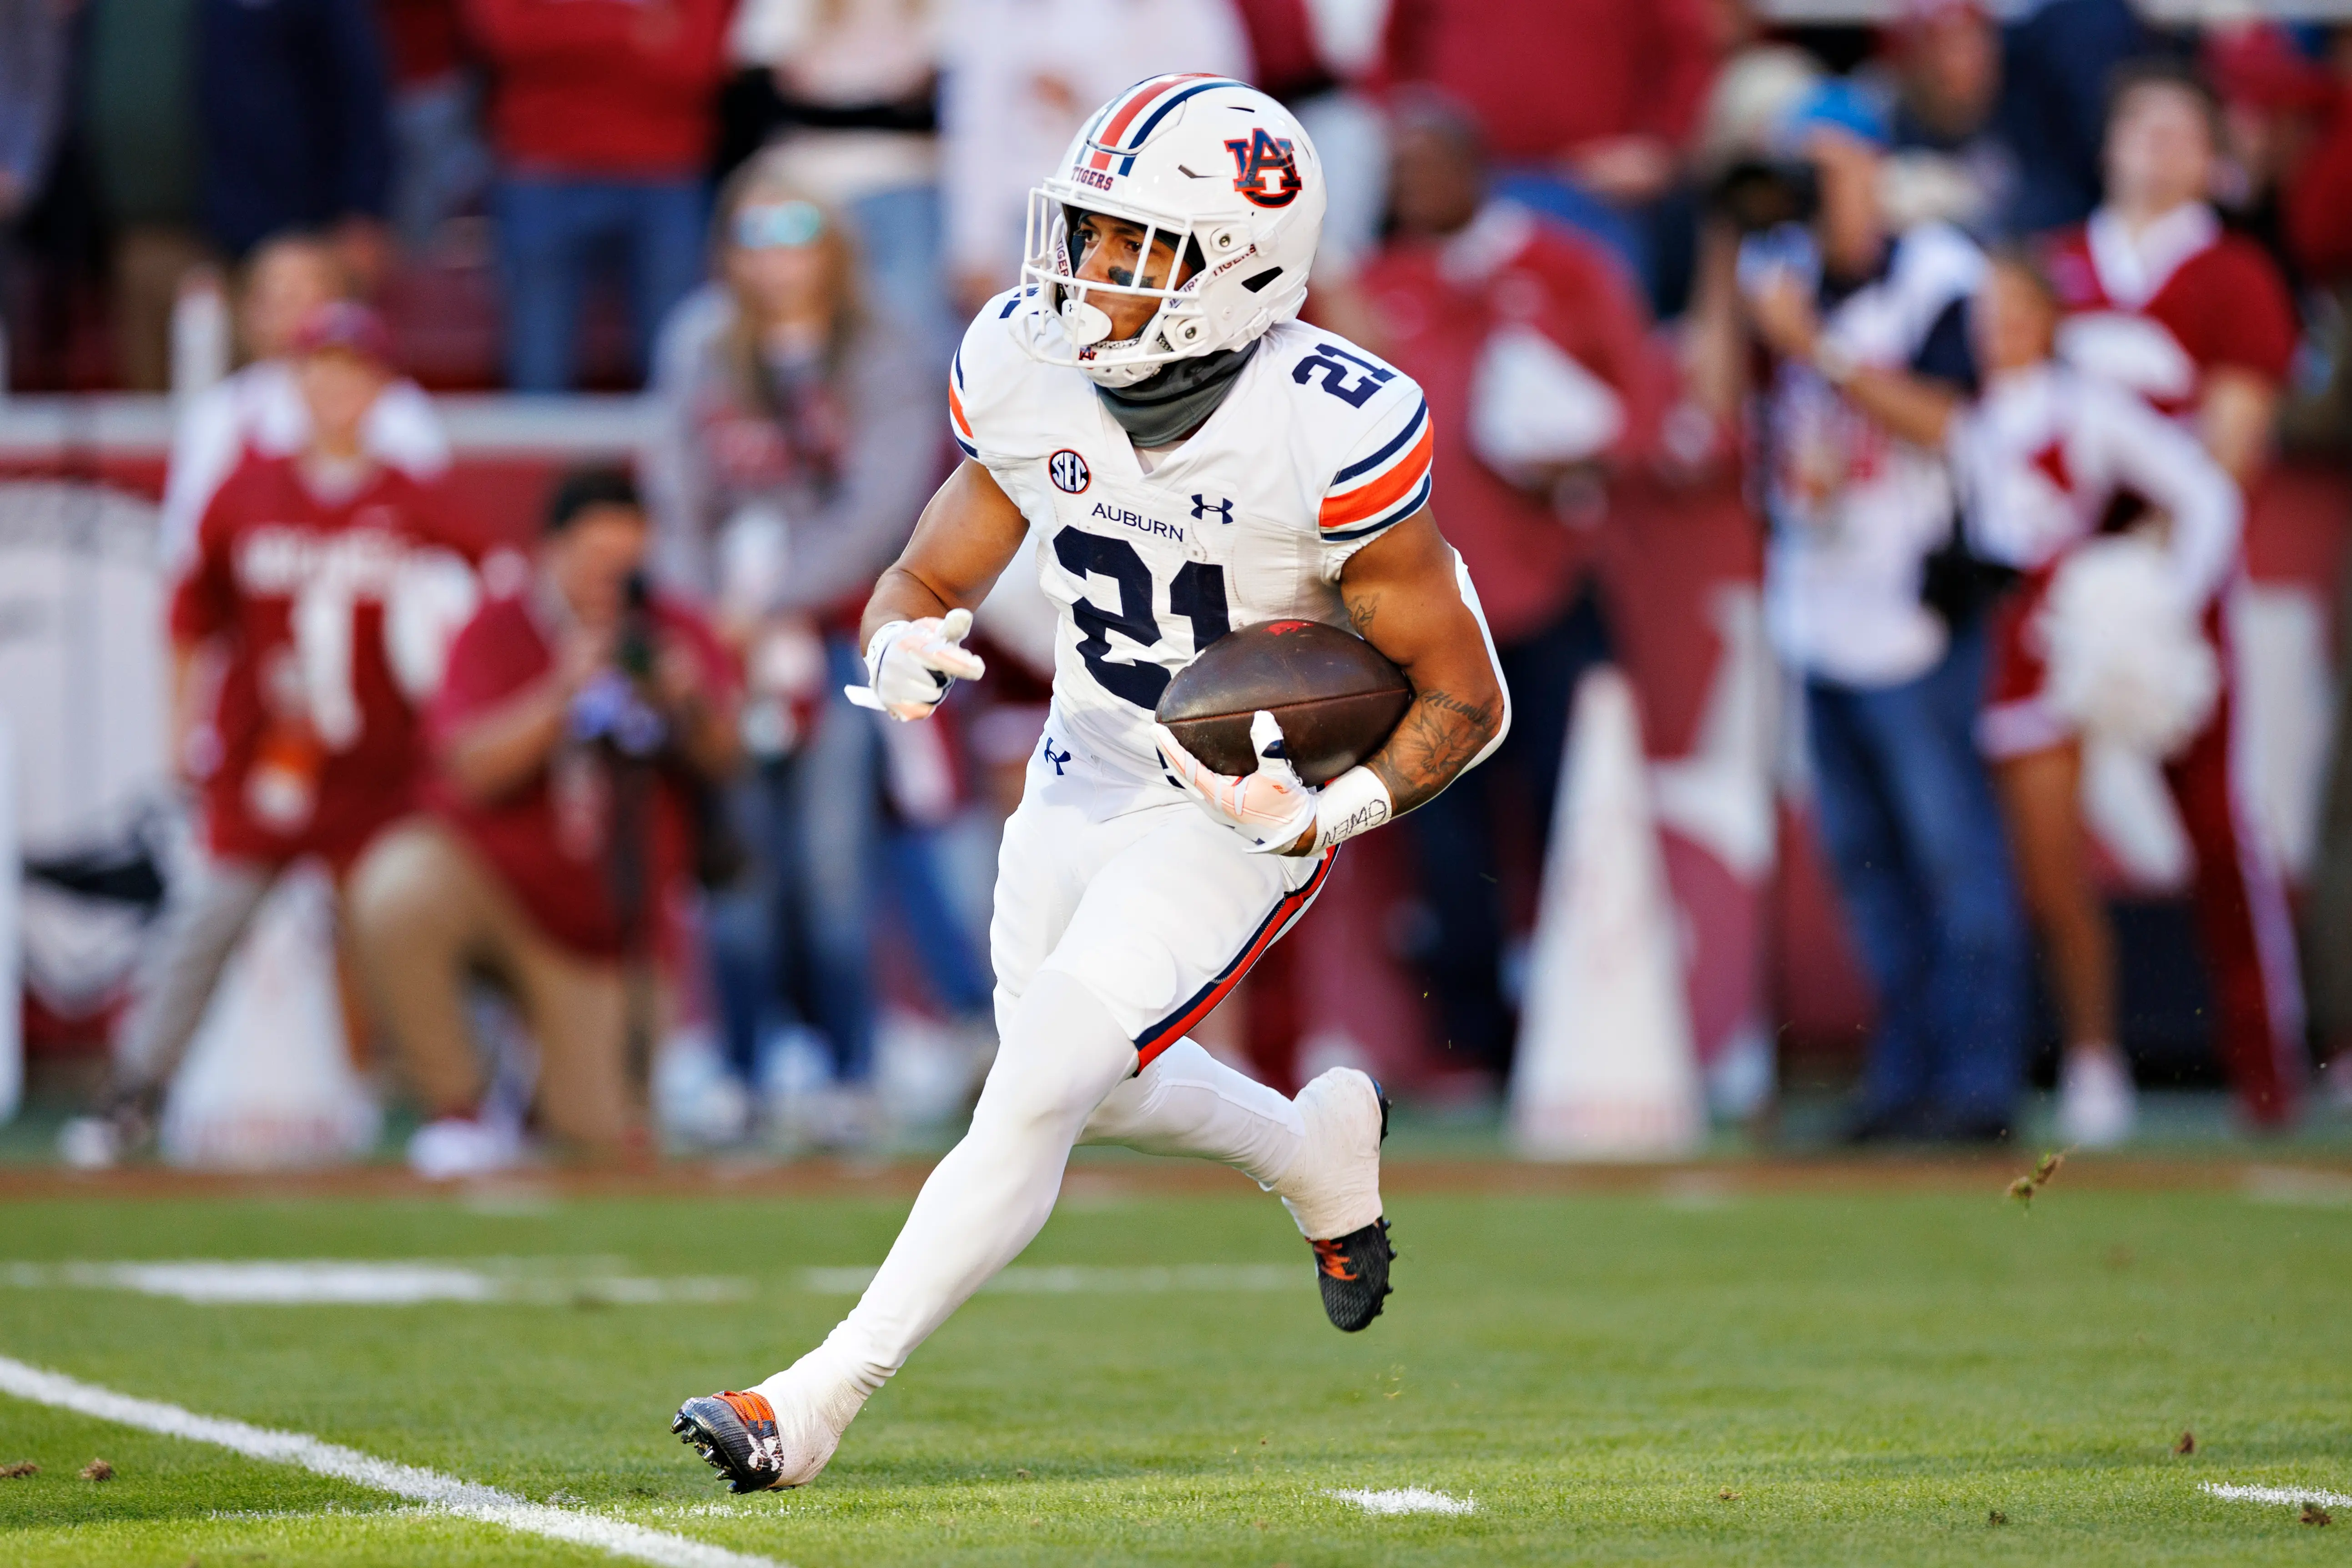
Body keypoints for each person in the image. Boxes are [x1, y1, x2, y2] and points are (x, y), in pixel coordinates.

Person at [669, 75, 1507, 1492]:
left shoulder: (1330, 421)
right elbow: (933, 566)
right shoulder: (1026, 359)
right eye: (1087, 233)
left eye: (1133, 250)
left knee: (1050, 1066)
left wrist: (1323, 812)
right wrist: (901, 633)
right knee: (1084, 1083)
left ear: (1239, 271)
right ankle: (1310, 1152)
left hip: (1234, 803)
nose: (1084, 275)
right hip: (1079, 763)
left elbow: (1465, 700)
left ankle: (811, 1399)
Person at [1803, 252, 2246, 1150]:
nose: (1998, 327)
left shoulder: (2078, 409)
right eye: (1986, 312)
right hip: (1934, 657)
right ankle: (1933, 1072)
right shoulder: (1943, 407)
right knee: (1940, 870)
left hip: (2034, 670)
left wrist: (2156, 596)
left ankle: (2089, 1059)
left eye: (2016, 309)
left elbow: (2201, 495)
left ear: (2048, 319)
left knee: (2049, 877)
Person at [63, 303, 478, 1166]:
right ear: (295, 383)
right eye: (318, 368)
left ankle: (458, 1104)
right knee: (202, 929)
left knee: (401, 931)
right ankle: (132, 1098)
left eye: (351, 370)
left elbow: (476, 619)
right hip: (267, 765)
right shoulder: (245, 486)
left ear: (380, 388)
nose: (334, 387)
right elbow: (190, 618)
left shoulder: (419, 499)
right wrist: (182, 732)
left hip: (381, 774)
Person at [641, 154, 962, 1138]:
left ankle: (847, 1064)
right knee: (737, 863)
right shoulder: (699, 343)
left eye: (795, 236)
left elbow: (879, 508)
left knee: (832, 862)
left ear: (831, 247)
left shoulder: (881, 347)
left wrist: (776, 599)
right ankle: (741, 1063)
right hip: (723, 643)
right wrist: (705, 617)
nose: (775, 262)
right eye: (753, 237)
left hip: (836, 638)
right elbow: (674, 493)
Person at [1738, 82, 2028, 1143]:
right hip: (1816, 596)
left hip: (1914, 594)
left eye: (1819, 162)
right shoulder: (1768, 270)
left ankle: (1978, 1080)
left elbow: (1944, 415)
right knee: (1863, 863)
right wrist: (1734, 269)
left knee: (1950, 847)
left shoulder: (1935, 271)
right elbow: (1713, 394)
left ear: (1869, 166)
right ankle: (1900, 1075)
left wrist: (1812, 342)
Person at [1355, 95, 1660, 1078]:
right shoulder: (1374, 287)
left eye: (1425, 165)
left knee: (1579, 810)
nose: (1409, 187)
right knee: (1445, 843)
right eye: (1396, 171)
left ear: (1475, 167)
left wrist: (1579, 450)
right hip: (1423, 607)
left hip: (1549, 588)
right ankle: (1475, 1048)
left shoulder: (1562, 267)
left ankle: (1594, 1036)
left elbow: (1643, 410)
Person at [2033, 59, 2307, 1135]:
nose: (2154, 145)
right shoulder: (2053, 266)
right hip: (2048, 585)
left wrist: (2143, 566)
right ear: (2105, 142)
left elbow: (2228, 443)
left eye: (2178, 129)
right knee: (2037, 826)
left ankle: (2261, 1066)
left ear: (2211, 156)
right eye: (2136, 122)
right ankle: (2076, 1062)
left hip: (2166, 584)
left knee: (2211, 823)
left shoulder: (2231, 273)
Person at [349, 468, 741, 1175]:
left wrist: (685, 702)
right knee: (396, 887)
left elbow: (729, 760)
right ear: (551, 553)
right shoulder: (499, 626)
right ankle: (458, 1108)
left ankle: (528, 1093)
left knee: (601, 1137)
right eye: (594, 564)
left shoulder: (671, 628)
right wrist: (561, 694)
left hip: (606, 930)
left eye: (626, 567)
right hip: (495, 884)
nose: (609, 583)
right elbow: (465, 766)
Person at [464, 0, 731, 390]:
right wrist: (633, 29)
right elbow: (505, 39)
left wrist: (564, 24)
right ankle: (545, 456)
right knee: (538, 368)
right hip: (540, 169)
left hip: (668, 172)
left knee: (676, 366)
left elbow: (696, 62)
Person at [937, 0, 1250, 317]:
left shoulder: (1187, 13)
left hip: (1143, 214)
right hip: (1029, 218)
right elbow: (976, 132)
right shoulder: (991, 14)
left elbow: (1219, 108)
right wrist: (975, 246)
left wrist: (1088, 97)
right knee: (1032, 344)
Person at [159, 231, 449, 570]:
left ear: (340, 300)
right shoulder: (223, 411)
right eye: (270, 292)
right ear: (250, 312)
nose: (284, 301)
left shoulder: (396, 406)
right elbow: (186, 546)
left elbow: (434, 538)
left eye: (300, 289)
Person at [196, 0, 396, 286]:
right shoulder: (214, 10)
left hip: (317, 220)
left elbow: (362, 95)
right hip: (233, 223)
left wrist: (362, 205)